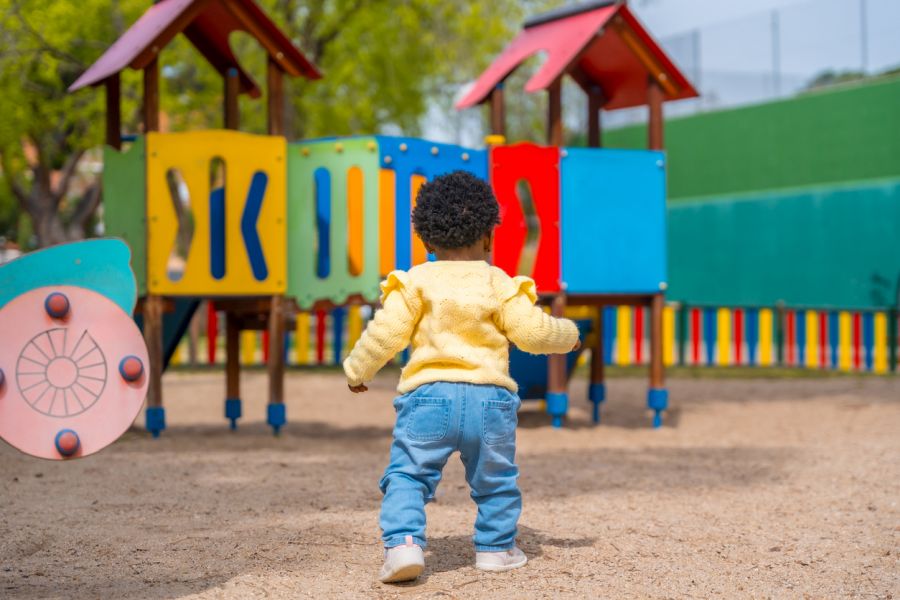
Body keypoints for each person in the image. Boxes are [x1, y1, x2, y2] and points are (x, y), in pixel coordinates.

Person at [343, 171, 580, 583]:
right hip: (490, 401)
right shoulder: (499, 282)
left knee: (408, 475)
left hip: (428, 399)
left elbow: (385, 333)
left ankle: (402, 545)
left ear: (427, 241)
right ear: (488, 236)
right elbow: (533, 333)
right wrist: (571, 336)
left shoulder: (415, 281)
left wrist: (357, 371)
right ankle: (496, 548)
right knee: (496, 480)